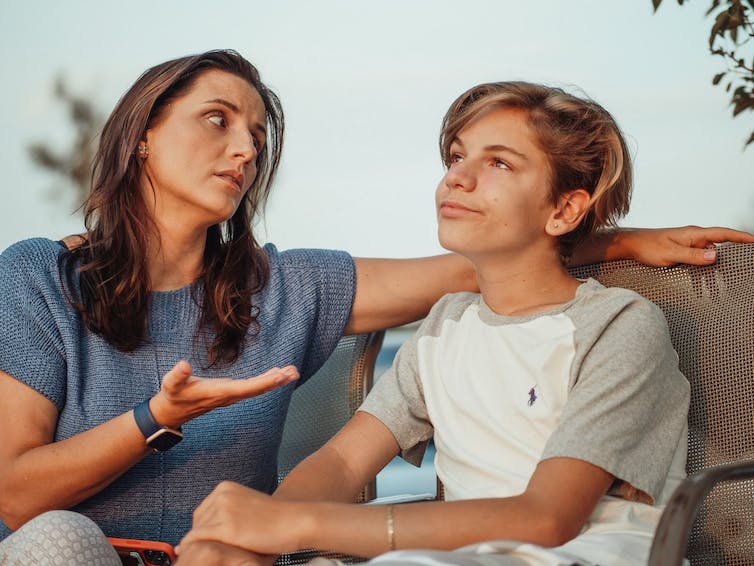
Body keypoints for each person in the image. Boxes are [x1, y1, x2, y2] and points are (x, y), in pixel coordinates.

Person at [0, 50, 750, 563]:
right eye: (217, 120)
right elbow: (12, 491)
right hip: (85, 550)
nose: (246, 152)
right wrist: (157, 422)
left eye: (257, 137)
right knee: (50, 541)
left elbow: (489, 263)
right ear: (141, 136)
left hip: (244, 555)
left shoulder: (287, 287)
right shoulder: (42, 277)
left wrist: (618, 241)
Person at [176, 80, 734, 566]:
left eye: (498, 163)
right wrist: (249, 537)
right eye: (456, 158)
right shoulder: (446, 326)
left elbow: (548, 520)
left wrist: (297, 527)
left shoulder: (618, 326)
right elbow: (345, 460)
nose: (457, 179)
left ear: (564, 211)